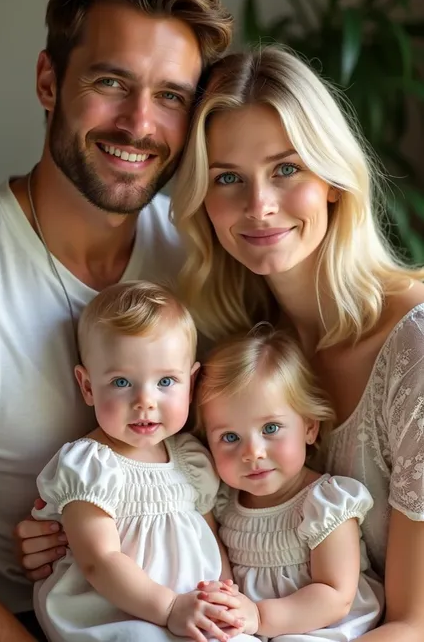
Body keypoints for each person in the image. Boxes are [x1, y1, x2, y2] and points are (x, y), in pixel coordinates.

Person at [0, 0, 232, 642]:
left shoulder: (205, 250)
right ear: (49, 80)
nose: (140, 124)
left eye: (170, 96)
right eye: (111, 82)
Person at [169, 45, 424, 639]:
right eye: (227, 178)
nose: (259, 206)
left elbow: (415, 623)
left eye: (287, 169)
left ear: (332, 180)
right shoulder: (239, 350)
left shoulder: (414, 349)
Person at [31, 280, 254, 642]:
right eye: (121, 382)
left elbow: (210, 539)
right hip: (116, 612)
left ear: (192, 383)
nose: (145, 401)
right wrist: (168, 609)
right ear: (87, 386)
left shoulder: (191, 460)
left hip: (190, 611)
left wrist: (225, 598)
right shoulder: (91, 465)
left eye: (166, 380)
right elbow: (98, 560)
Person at [195, 327, 383, 640]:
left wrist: (258, 615)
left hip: (321, 628)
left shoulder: (325, 503)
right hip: (251, 629)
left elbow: (335, 596)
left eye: (270, 428)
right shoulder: (225, 503)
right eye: (230, 437)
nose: (252, 453)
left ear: (309, 427)